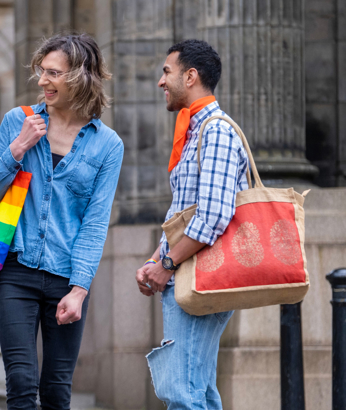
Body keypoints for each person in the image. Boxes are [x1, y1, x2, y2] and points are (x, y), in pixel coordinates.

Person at [0, 33, 123, 409]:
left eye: (53, 73)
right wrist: (16, 149)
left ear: (80, 77)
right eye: (41, 71)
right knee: (22, 384)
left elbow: (95, 221)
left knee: (57, 389)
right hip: (17, 271)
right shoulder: (18, 122)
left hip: (66, 278)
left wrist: (79, 289)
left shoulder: (107, 145)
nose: (42, 81)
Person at [136, 39, 249, 409]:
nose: (160, 81)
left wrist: (167, 266)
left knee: (183, 393)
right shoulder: (197, 131)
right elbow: (183, 212)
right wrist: (157, 259)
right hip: (193, 273)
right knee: (196, 390)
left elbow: (213, 215)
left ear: (191, 75)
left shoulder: (214, 131)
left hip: (201, 276)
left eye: (166, 72)